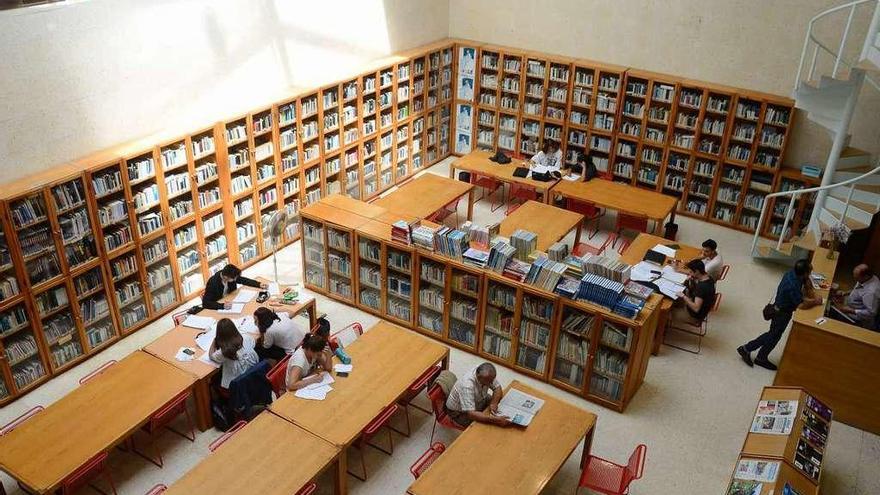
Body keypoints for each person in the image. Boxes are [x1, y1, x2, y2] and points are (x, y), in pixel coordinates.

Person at [738, 259, 823, 370]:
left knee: (774, 335)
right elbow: (801, 305)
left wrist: (808, 284)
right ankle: (747, 349)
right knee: (773, 335)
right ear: (805, 273)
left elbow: (806, 282)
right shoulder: (792, 286)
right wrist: (816, 301)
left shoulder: (792, 273)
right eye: (809, 272)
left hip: (780, 308)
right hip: (782, 313)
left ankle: (761, 356)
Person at [445, 362, 511, 427]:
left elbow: (497, 388)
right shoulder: (467, 385)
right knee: (483, 426)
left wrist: (494, 403)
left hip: (477, 400)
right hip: (459, 413)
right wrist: (495, 420)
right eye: (488, 382)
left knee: (499, 403)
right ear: (479, 378)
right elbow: (471, 414)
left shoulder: (486, 373)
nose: (491, 383)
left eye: (492, 381)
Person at [209, 318, 259, 389]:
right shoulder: (245, 337)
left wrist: (214, 341)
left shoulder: (224, 351)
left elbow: (211, 356)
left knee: (214, 378)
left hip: (237, 383)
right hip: (252, 372)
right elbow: (254, 343)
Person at [670, 259, 716, 327]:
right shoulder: (708, 277)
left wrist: (683, 296)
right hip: (696, 306)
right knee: (674, 300)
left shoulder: (702, 287)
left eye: (691, 272)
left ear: (697, 271)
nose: (689, 273)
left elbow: (696, 308)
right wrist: (692, 282)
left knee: (666, 312)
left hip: (693, 316)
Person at [202, 264, 267, 310]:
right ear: (226, 277)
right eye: (234, 279)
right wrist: (222, 306)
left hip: (232, 300)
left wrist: (258, 284)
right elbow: (205, 303)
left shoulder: (229, 274)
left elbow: (243, 280)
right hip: (220, 305)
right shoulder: (213, 283)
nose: (236, 279)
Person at [836, 264, 880, 329]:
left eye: (857, 278)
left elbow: (871, 313)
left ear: (865, 276)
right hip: (852, 306)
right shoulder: (869, 278)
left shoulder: (871, 293)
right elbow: (859, 290)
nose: (855, 279)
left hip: (858, 319)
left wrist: (851, 310)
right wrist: (845, 293)